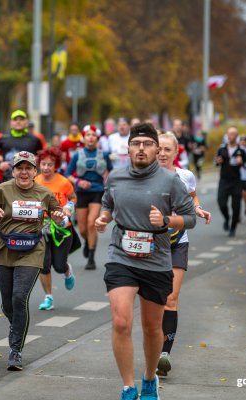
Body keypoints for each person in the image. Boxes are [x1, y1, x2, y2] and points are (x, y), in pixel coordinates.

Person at [94, 122, 196, 400]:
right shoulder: (115, 177)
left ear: (155, 148)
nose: (141, 149)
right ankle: (128, 387)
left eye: (147, 144)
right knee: (121, 322)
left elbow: (190, 218)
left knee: (152, 328)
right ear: (128, 148)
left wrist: (165, 220)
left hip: (156, 260)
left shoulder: (170, 181)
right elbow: (108, 203)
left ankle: (149, 379)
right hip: (121, 256)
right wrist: (104, 218)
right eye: (136, 144)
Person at [0, 151, 65, 371]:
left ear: (35, 171)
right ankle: (18, 327)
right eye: (19, 168)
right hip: (5, 249)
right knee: (8, 303)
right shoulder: (0, 190)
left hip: (32, 250)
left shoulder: (44, 192)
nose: (24, 172)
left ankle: (15, 350)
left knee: (19, 296)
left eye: (28, 168)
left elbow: (60, 215)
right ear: (13, 171)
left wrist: (61, 218)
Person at [156, 132, 211, 378]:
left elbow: (191, 195)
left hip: (178, 242)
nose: (162, 154)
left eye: (167, 149)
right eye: (159, 149)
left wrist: (197, 209)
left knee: (171, 298)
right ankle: (153, 346)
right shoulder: (143, 176)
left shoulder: (185, 176)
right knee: (154, 301)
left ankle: (164, 354)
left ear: (176, 152)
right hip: (150, 244)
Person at [34, 147, 77, 310]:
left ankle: (67, 271)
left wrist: (68, 208)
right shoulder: (35, 181)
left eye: (49, 165)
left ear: (56, 165)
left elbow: (73, 198)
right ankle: (48, 297)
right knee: (43, 264)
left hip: (62, 229)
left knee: (58, 265)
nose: (45, 168)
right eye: (43, 164)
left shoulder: (63, 182)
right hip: (41, 229)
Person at [66, 124, 112, 270]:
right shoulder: (77, 155)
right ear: (84, 137)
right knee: (83, 229)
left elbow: (112, 171)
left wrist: (109, 182)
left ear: (97, 138)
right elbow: (68, 174)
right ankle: (87, 241)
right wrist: (79, 181)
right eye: (88, 135)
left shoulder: (103, 154)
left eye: (93, 135)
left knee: (92, 223)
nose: (90, 138)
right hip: (80, 192)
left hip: (97, 190)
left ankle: (91, 257)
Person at [0, 110, 43, 182]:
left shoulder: (35, 140)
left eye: (21, 119)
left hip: (29, 181)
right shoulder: (3, 139)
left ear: (26, 122)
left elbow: (43, 157)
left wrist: (38, 159)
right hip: (8, 179)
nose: (18, 122)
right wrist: (0, 164)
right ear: (11, 123)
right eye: (15, 119)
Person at [215, 126, 246, 237]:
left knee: (236, 206)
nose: (230, 136)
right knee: (221, 203)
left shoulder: (241, 150)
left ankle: (233, 227)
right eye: (229, 134)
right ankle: (226, 218)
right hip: (224, 180)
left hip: (236, 181)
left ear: (236, 136)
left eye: (233, 134)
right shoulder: (222, 149)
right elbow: (216, 162)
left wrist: (242, 162)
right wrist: (218, 161)